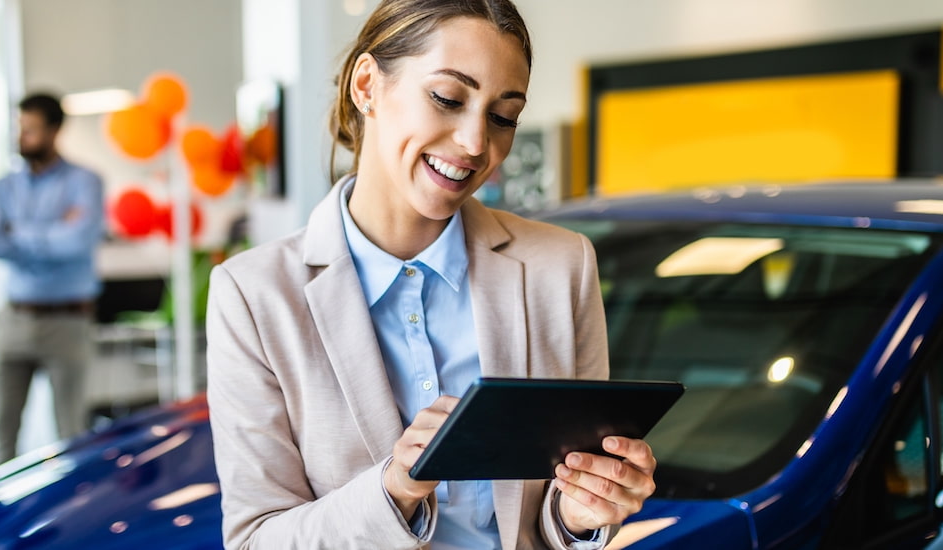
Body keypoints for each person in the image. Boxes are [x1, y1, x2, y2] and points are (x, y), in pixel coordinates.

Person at [206, 1, 657, 548]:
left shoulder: (560, 267)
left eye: (503, 116)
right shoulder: (254, 296)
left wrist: (584, 514)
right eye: (447, 98)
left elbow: (556, 515)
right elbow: (256, 539)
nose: (475, 144)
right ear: (368, 84)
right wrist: (395, 489)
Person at [0, 92, 104, 471]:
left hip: (68, 320)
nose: (22, 136)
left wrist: (20, 232)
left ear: (54, 130)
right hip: (14, 318)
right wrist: (52, 232)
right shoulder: (4, 187)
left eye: (31, 129)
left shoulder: (85, 181)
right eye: (20, 128)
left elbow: (78, 241)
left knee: (72, 434)